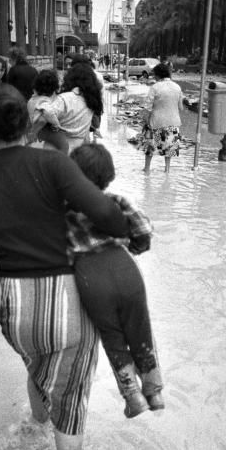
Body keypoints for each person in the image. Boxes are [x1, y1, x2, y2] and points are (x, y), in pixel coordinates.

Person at [0, 84, 129, 450]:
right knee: (70, 398)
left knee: (39, 364)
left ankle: (34, 433)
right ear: (28, 120)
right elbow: (108, 215)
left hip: (13, 313)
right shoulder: (52, 164)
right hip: (67, 303)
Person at [67, 143, 164, 418]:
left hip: (90, 278)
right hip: (125, 270)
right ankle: (154, 392)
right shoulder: (116, 200)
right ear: (107, 176)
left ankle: (133, 397)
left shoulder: (62, 210)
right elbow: (144, 230)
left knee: (113, 338)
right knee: (140, 328)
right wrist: (133, 248)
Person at [45, 63, 103, 154]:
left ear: (70, 79)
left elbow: (46, 115)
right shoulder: (92, 101)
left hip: (56, 149)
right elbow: (95, 123)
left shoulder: (64, 99)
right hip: (79, 149)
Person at [138, 62, 184, 174]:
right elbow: (181, 107)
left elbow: (148, 107)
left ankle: (147, 169)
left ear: (158, 75)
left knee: (150, 147)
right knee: (169, 149)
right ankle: (167, 170)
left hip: (156, 122)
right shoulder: (177, 87)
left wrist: (145, 121)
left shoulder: (155, 87)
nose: (154, 76)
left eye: (154, 74)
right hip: (173, 122)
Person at [26, 69, 68, 153]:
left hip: (36, 129)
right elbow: (45, 117)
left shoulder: (32, 99)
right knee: (64, 145)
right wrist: (57, 125)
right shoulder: (44, 102)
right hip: (44, 130)